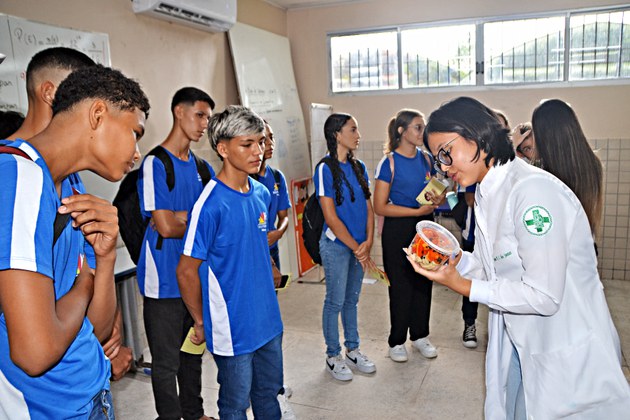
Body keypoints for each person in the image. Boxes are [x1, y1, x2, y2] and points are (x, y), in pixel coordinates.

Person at [407, 96, 630, 419]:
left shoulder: (533, 193)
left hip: (565, 350)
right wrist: (451, 258)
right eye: (436, 158)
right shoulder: (487, 191)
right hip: (518, 338)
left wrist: (465, 287)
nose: (442, 167)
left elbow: (544, 295)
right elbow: (492, 269)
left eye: (446, 152)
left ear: (478, 137)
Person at [0, 64, 150, 418]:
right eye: (135, 133)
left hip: (91, 391)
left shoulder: (72, 185)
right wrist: (85, 285)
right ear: (98, 114)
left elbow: (96, 330)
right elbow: (35, 353)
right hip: (47, 408)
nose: (137, 153)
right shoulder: (17, 178)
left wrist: (106, 255)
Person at [176, 105, 285, 419]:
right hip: (233, 326)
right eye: (247, 144)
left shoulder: (262, 193)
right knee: (235, 404)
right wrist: (200, 320)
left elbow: (254, 243)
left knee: (268, 396)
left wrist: (270, 266)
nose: (258, 151)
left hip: (268, 319)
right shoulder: (209, 205)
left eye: (261, 142)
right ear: (222, 149)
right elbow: (185, 271)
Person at [136, 87, 215, 420]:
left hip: (193, 278)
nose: (204, 125)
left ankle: (194, 413)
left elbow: (210, 219)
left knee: (192, 354)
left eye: (208, 119)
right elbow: (166, 227)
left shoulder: (201, 167)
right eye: (199, 115)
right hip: (163, 281)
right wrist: (190, 218)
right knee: (166, 363)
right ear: (179, 112)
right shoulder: (156, 163)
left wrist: (183, 216)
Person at [372, 109, 441, 362]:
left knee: (424, 283)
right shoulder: (388, 162)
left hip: (425, 226)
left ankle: (420, 336)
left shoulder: (426, 159)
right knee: (401, 286)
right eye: (418, 127)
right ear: (402, 131)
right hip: (398, 229)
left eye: (423, 127)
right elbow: (379, 207)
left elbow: (434, 190)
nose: (422, 132)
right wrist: (415, 211)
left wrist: (437, 198)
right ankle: (397, 341)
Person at [315, 112, 377, 381]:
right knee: (335, 300)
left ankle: (353, 348)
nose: (358, 135)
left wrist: (369, 241)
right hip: (337, 246)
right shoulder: (325, 169)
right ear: (337, 134)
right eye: (353, 130)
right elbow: (330, 216)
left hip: (358, 246)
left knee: (352, 300)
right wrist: (356, 246)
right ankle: (333, 354)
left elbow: (368, 208)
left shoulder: (359, 167)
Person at [531, 99, 603, 235]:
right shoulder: (593, 163)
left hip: (553, 246)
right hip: (583, 241)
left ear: (542, 136)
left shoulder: (542, 173)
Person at [253, 121, 291, 270]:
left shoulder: (276, 177)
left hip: (272, 248)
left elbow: (284, 216)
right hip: (254, 250)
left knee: (273, 293)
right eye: (264, 140)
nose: (270, 144)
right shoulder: (245, 180)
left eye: (272, 138)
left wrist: (279, 232)